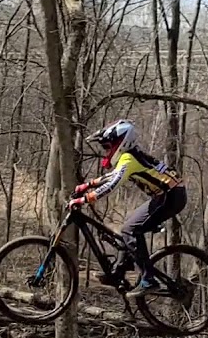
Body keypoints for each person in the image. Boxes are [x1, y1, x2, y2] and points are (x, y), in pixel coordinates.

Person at [68, 119, 187, 299]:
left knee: (130, 229)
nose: (107, 152)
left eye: (108, 147)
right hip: (169, 194)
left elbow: (112, 184)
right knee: (128, 229)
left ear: (121, 142)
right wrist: (87, 185)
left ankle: (149, 279)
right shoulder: (130, 156)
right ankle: (118, 272)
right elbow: (113, 176)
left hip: (171, 197)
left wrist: (85, 198)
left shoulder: (128, 158)